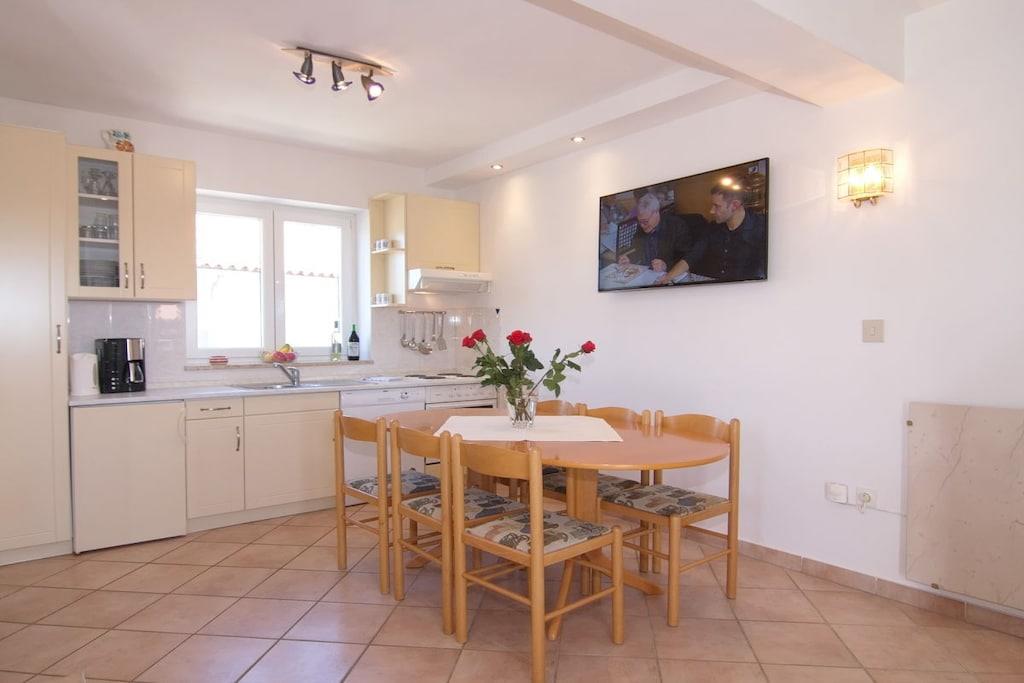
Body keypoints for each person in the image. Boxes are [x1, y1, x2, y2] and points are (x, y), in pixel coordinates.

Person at [617, 193, 704, 285]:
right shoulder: (642, 225)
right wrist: (629, 259)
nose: (642, 226)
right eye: (640, 222)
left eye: (645, 222)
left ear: (656, 212)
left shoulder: (676, 225)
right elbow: (636, 250)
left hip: (667, 276)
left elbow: (686, 257)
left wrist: (666, 265)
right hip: (646, 275)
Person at [694, 185, 767, 281]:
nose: (711, 211)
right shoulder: (713, 227)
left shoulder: (762, 227)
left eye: (717, 206)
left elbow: (762, 273)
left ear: (735, 205)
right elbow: (694, 254)